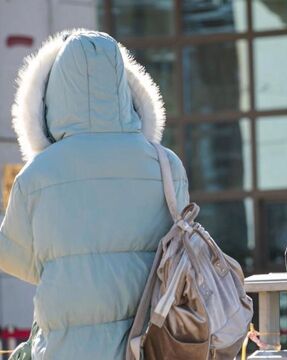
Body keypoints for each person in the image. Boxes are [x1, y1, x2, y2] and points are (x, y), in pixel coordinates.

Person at [0, 30, 189, 359]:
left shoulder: (37, 175)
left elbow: (17, 259)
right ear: (124, 85)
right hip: (150, 346)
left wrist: (71, 264)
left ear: (53, 93)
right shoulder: (165, 165)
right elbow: (180, 251)